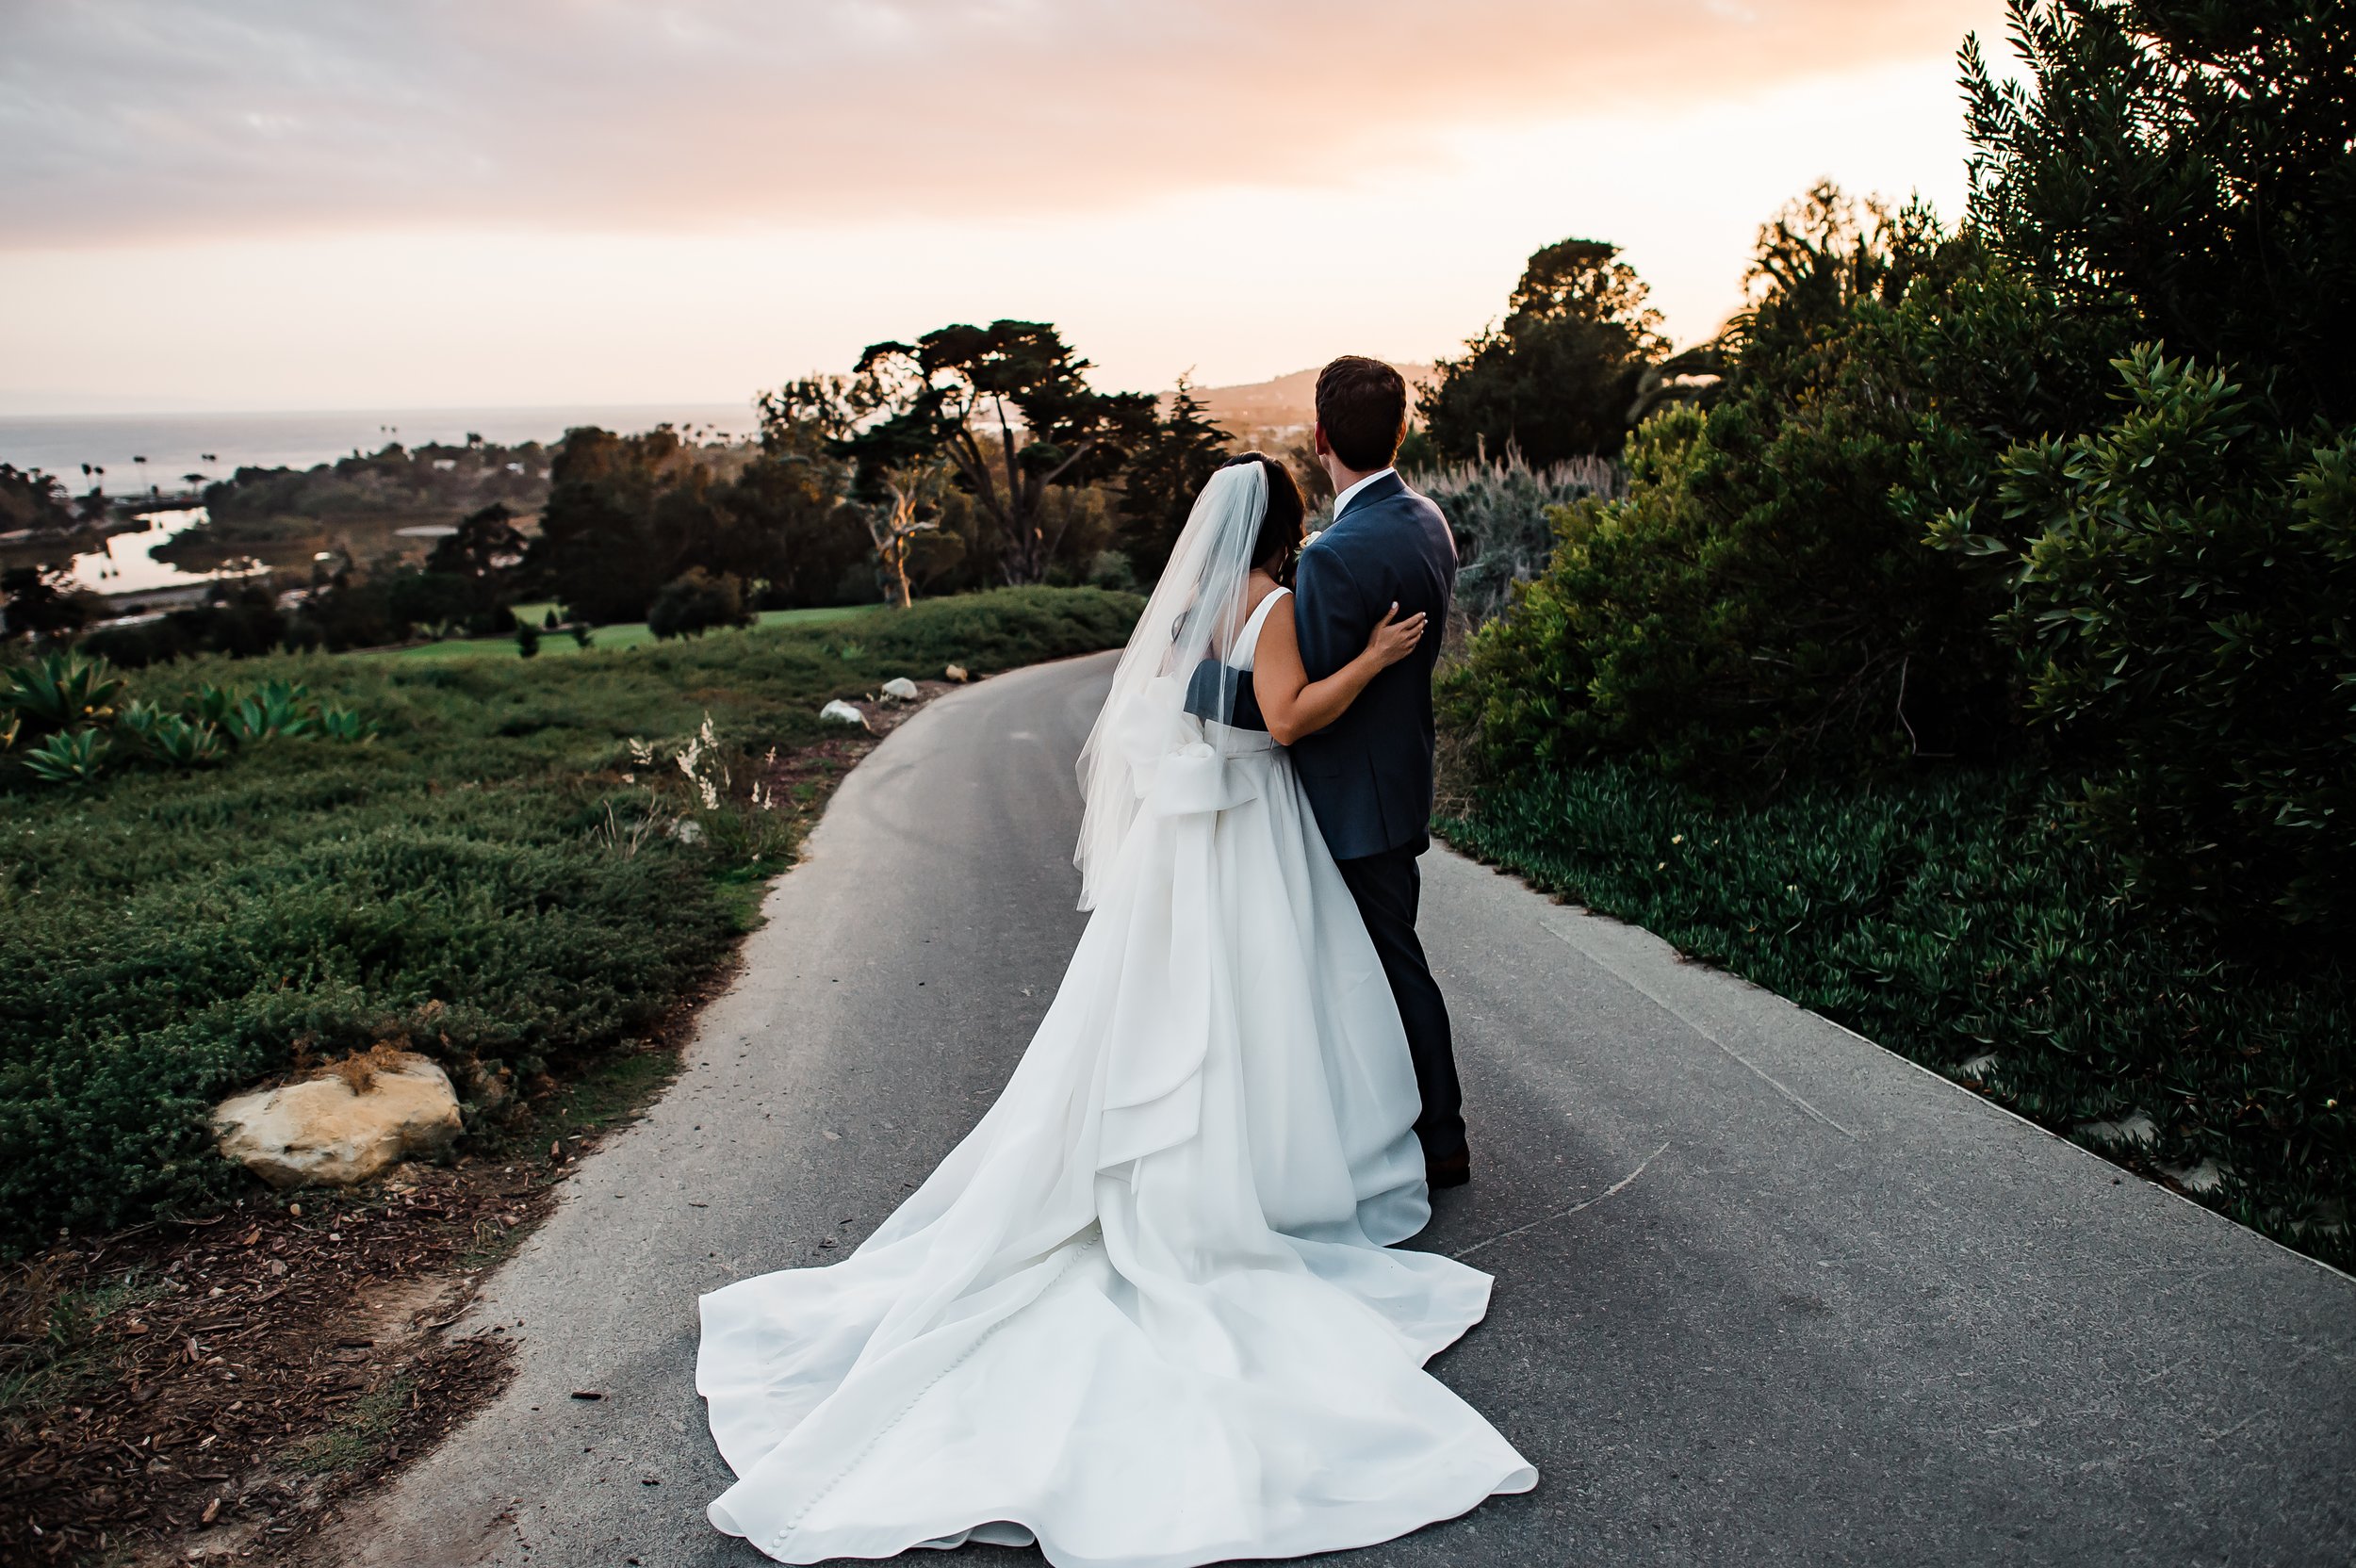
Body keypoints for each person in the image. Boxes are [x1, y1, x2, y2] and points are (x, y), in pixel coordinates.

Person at [697, 446, 1533, 1566]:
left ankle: (1175, 1163)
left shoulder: (1188, 603)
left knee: (1174, 1017)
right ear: (1288, 525)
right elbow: (1285, 721)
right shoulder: (1273, 604)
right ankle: (1270, 1175)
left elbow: (1169, 715)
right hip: (1252, 831)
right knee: (1265, 1016)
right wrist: (1377, 658)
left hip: (1193, 847)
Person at [1287, 356, 1471, 1186]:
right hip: (1401, 777)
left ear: (1320, 439)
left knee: (1391, 967)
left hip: (1349, 800)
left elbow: (1304, 702)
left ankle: (1441, 1139)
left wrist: (1201, 688)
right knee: (1386, 960)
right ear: (1403, 431)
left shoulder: (1332, 557)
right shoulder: (1428, 518)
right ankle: (1399, 1127)